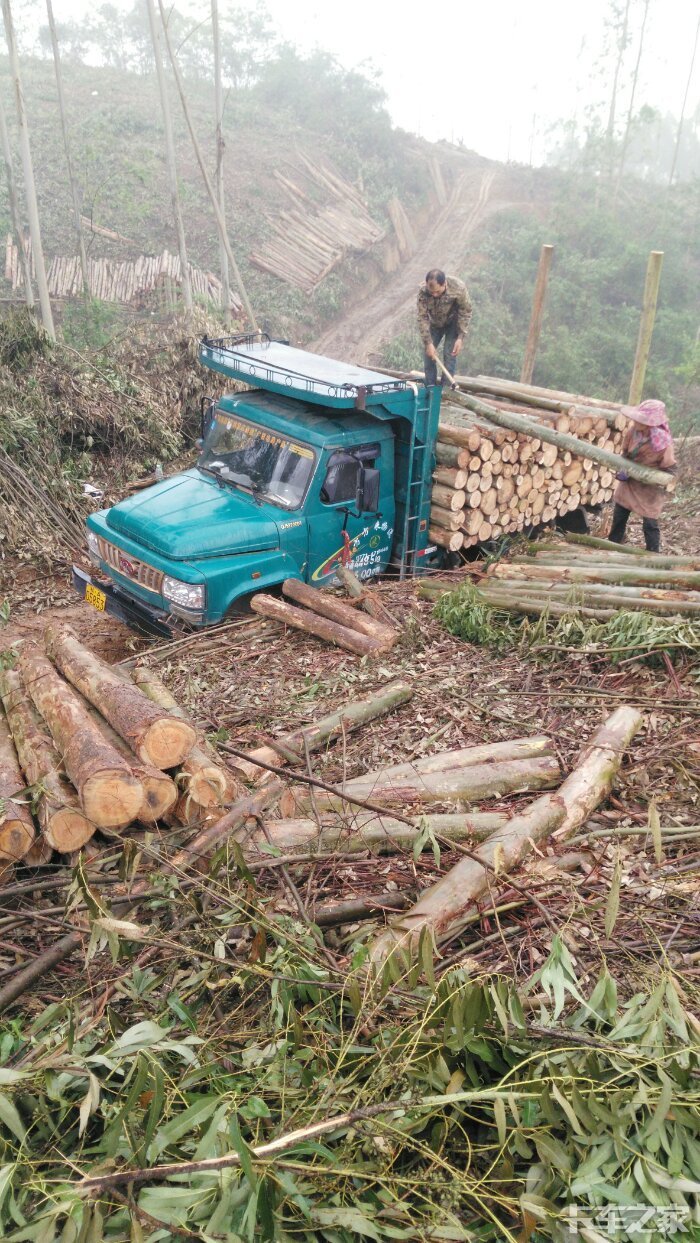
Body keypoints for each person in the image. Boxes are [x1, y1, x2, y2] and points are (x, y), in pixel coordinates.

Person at [608, 399, 676, 552]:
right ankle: (611, 548)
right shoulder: (633, 432)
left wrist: (664, 481)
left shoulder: (663, 441)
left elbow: (670, 466)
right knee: (619, 517)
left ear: (651, 423)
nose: (636, 421)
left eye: (641, 419)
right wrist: (623, 468)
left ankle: (652, 556)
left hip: (650, 487)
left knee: (650, 524)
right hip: (630, 481)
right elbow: (625, 453)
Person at [417, 268, 472, 387]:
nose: (434, 295)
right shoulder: (423, 291)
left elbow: (465, 312)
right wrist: (428, 343)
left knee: (449, 353)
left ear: (444, 284)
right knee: (428, 354)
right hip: (435, 322)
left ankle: (445, 389)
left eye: (437, 292)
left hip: (453, 322)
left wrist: (460, 337)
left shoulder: (458, 288)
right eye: (431, 293)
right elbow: (422, 317)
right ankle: (430, 387)